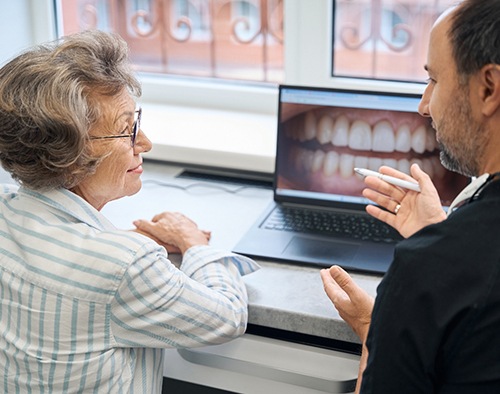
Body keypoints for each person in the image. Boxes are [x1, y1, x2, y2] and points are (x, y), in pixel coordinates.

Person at [0, 30, 259, 393]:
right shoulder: (127, 265)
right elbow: (228, 317)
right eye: (128, 129)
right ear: (70, 157)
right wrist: (195, 243)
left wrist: (117, 239)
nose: (146, 143)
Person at [321, 0, 500, 392]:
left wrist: (377, 329)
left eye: (434, 80)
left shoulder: (426, 269)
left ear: (489, 88)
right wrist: (443, 235)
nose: (424, 105)